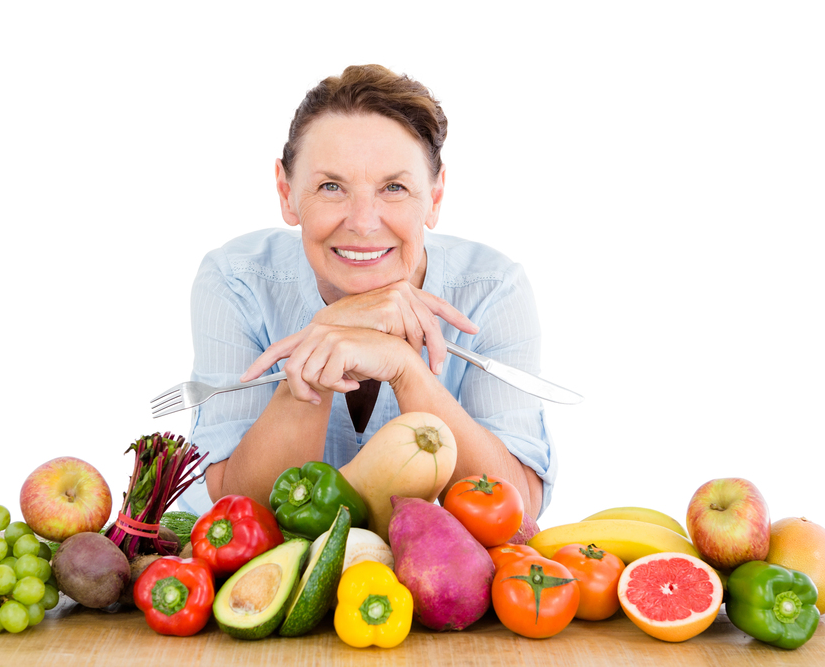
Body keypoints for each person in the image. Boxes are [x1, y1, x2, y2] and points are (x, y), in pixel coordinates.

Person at [178, 64, 556, 521]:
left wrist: (405, 369)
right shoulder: (236, 283)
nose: (362, 221)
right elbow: (233, 509)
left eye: (394, 187)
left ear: (434, 197)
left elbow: (520, 510)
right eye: (331, 186)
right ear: (286, 192)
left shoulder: (493, 290)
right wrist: (327, 335)